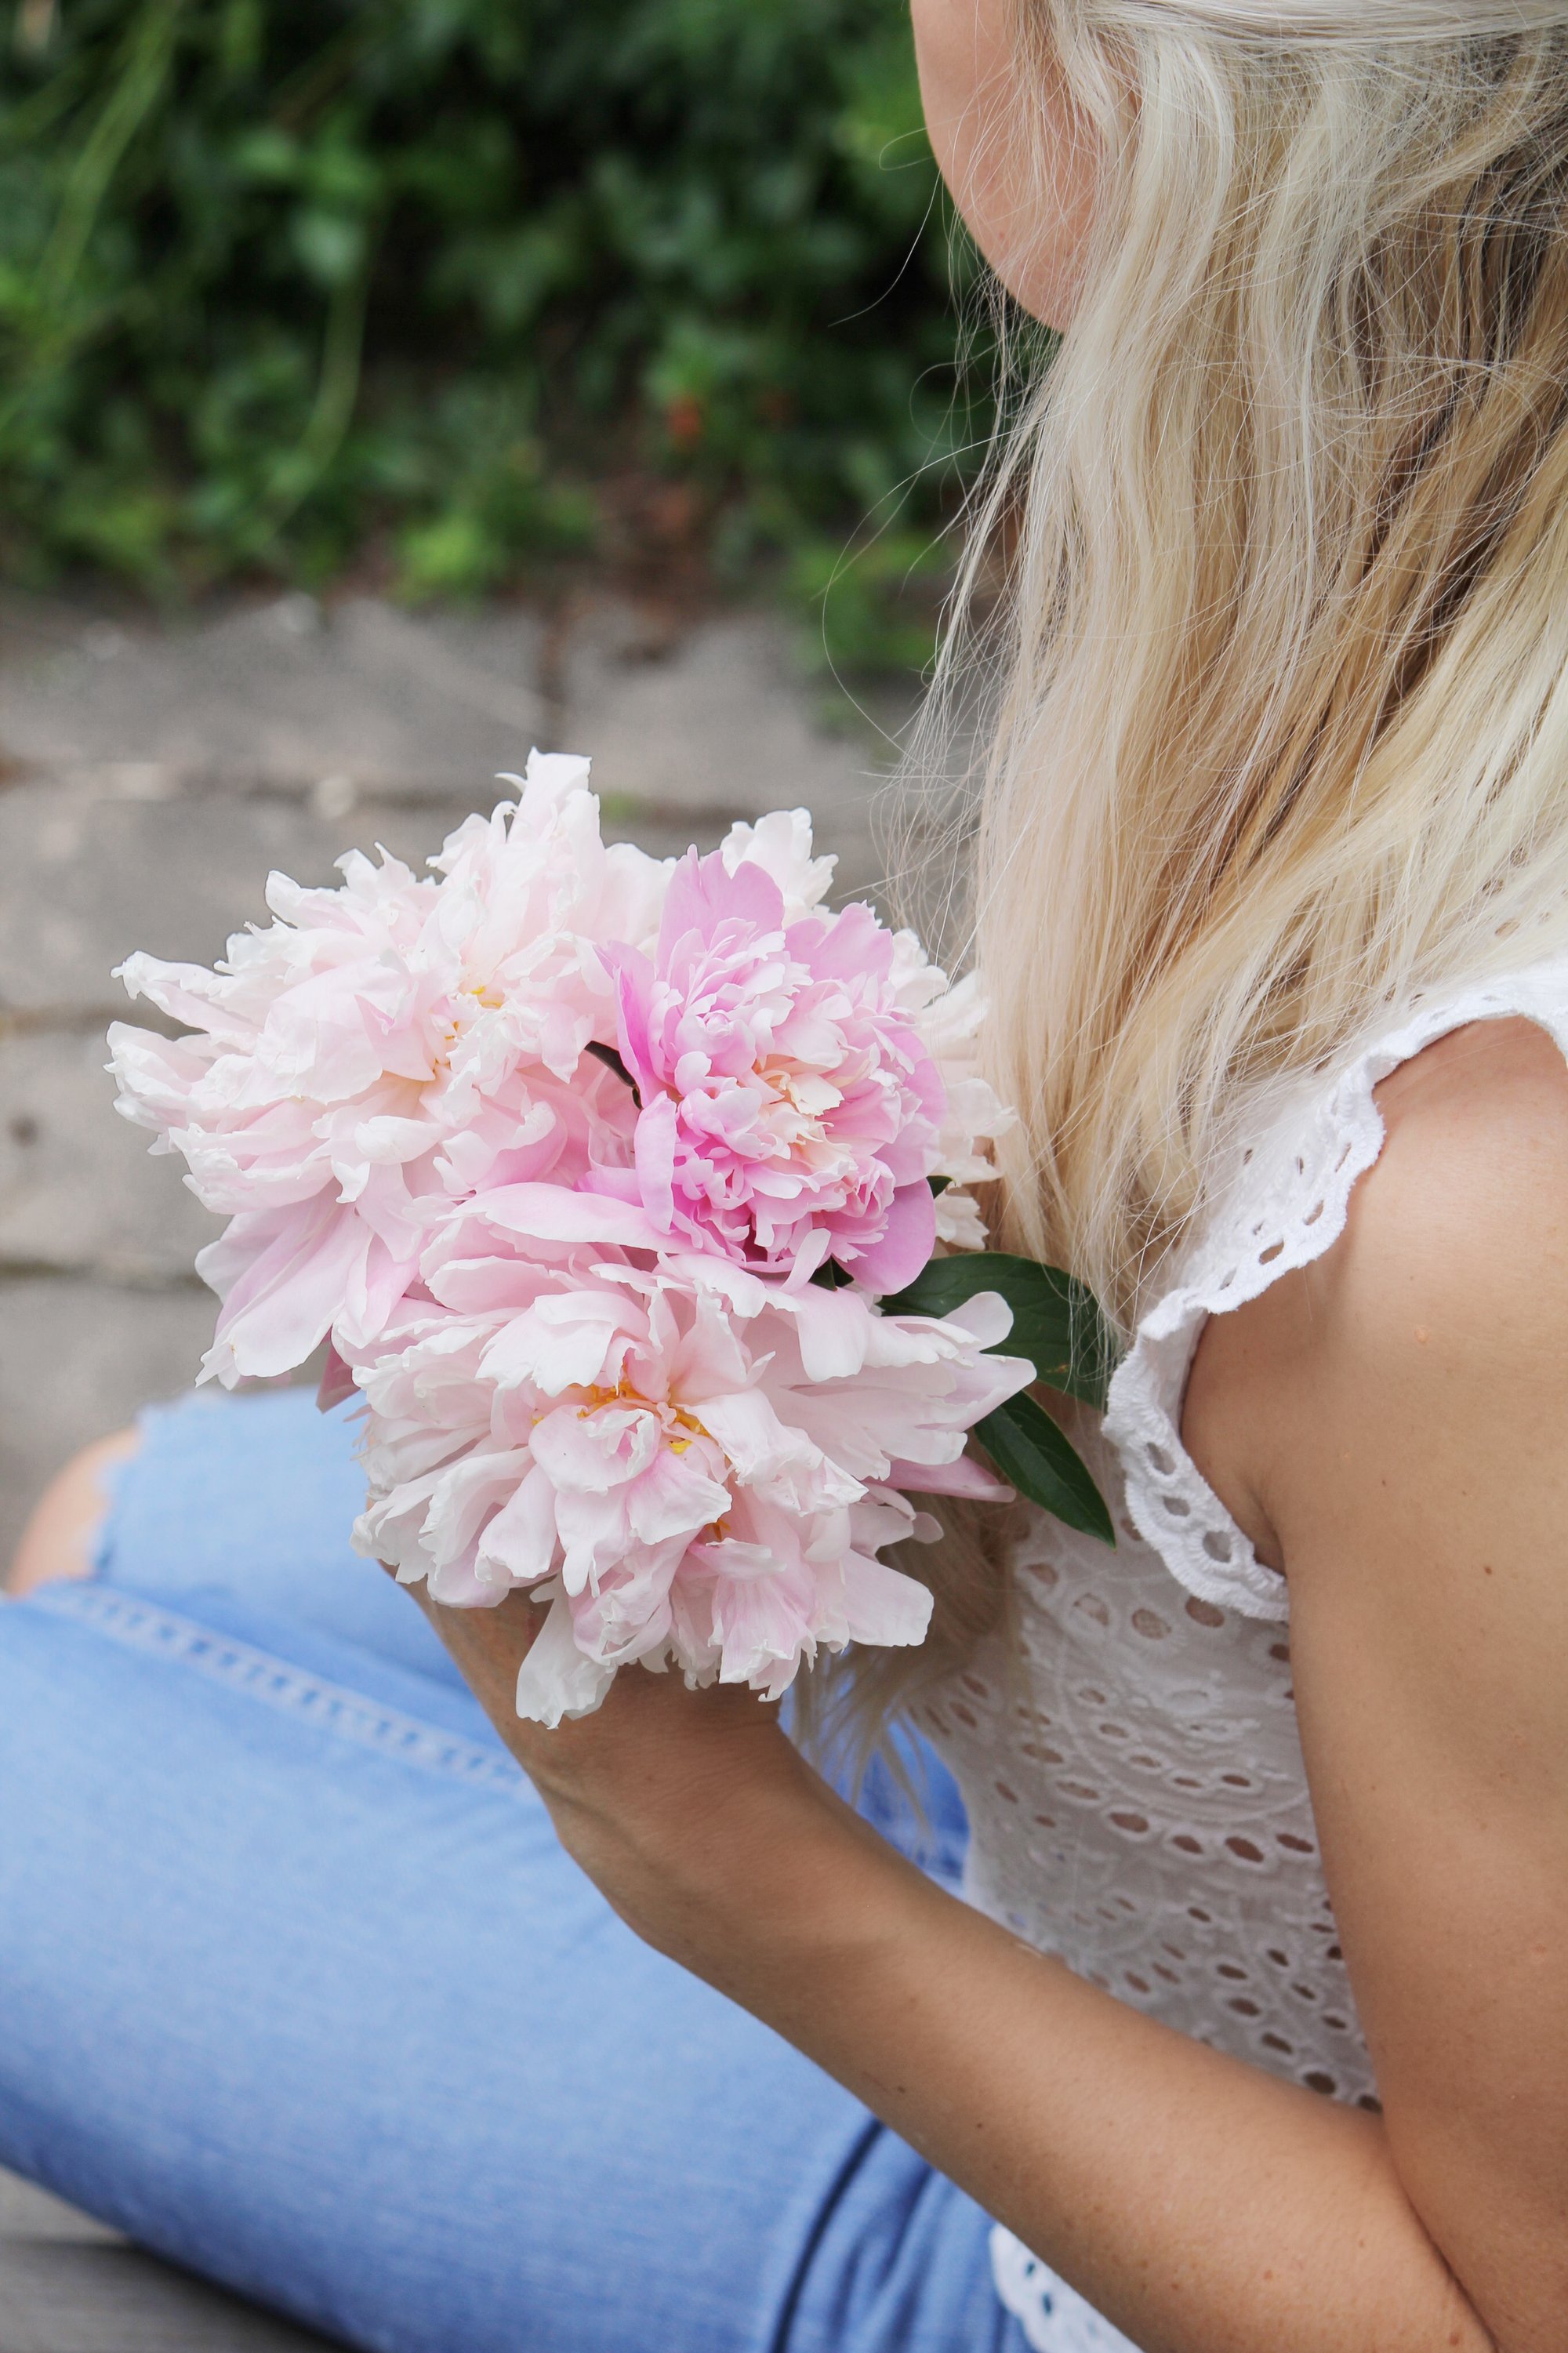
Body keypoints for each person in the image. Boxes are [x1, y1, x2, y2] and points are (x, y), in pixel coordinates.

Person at [5, 1, 1567, 2345]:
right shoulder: (1400, 590)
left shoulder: (1489, 1210)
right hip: (1136, 1798)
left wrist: (716, 1858)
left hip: (1121, 2271)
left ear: (1125, 84)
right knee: (112, 1514)